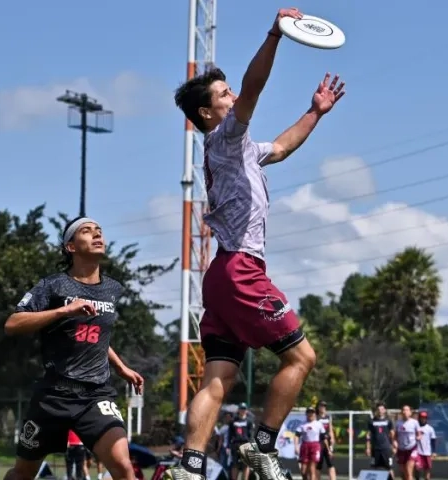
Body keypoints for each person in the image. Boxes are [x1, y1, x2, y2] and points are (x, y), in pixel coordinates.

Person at [167, 6, 346, 480]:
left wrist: (315, 112)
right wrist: (276, 34)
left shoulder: (239, 149)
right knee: (301, 356)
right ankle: (262, 446)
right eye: (224, 94)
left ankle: (189, 466)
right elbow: (255, 87)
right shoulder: (224, 139)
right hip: (242, 270)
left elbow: (283, 146)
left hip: (221, 277)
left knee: (218, 378)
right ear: (208, 112)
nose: (233, 97)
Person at [3, 217, 145, 480]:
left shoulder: (112, 289)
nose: (97, 234)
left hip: (95, 395)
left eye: (99, 231)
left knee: (124, 468)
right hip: (53, 396)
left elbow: (97, 338)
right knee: (23, 473)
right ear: (71, 247)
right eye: (87, 231)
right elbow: (12, 324)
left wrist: (122, 367)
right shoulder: (53, 285)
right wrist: (63, 310)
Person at [366, 403, 396, 478]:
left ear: (385, 410)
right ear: (376, 410)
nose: (380, 411)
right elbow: (368, 435)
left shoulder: (388, 421)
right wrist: (368, 447)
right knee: (374, 468)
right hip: (375, 449)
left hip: (386, 449)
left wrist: (393, 445)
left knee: (389, 468)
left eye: (382, 409)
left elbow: (392, 434)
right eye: (378, 409)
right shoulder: (371, 421)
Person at [228, 404, 255, 480]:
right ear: (238, 410)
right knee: (235, 464)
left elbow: (251, 435)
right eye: (241, 409)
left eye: (244, 409)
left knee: (246, 465)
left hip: (245, 444)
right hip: (235, 444)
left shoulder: (249, 421)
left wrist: (251, 446)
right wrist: (228, 446)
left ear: (246, 410)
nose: (243, 411)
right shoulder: (233, 421)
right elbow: (230, 434)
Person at [396, 406, 420, 480]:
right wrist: (394, 443)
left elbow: (419, 434)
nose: (404, 412)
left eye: (406, 410)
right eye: (403, 410)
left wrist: (418, 437)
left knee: (409, 471)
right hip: (401, 449)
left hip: (412, 448)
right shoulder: (398, 423)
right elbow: (395, 436)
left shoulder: (414, 422)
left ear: (410, 412)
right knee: (403, 472)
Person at [316, 401, 337, 480]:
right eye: (321, 406)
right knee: (318, 465)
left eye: (324, 406)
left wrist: (333, 439)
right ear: (318, 407)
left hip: (328, 443)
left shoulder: (328, 417)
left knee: (331, 464)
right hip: (319, 443)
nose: (323, 408)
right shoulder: (316, 417)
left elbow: (330, 429)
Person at [414, 411, 436, 480]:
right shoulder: (415, 428)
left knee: (427, 473)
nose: (423, 419)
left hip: (427, 453)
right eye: (421, 418)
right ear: (419, 418)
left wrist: (434, 452)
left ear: (426, 419)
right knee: (417, 469)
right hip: (417, 452)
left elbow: (433, 441)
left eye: (424, 418)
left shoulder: (430, 429)